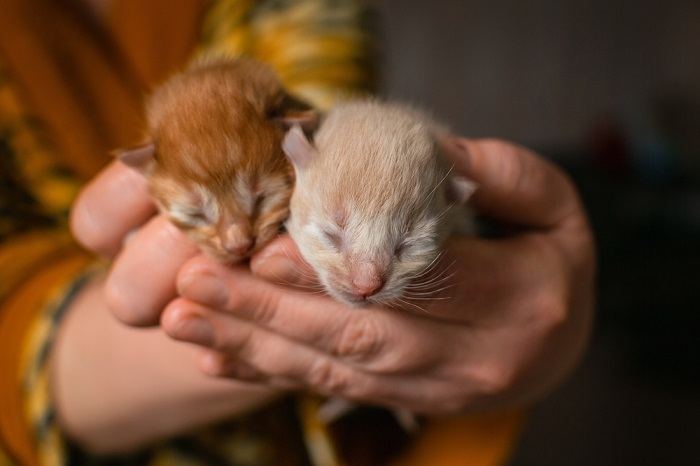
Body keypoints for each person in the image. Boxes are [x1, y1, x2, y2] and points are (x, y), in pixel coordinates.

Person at [0, 0, 595, 465]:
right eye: (199, 216)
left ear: (293, 139)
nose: (236, 241)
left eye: (260, 196)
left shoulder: (306, 130)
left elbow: (352, 140)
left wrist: (528, 301)